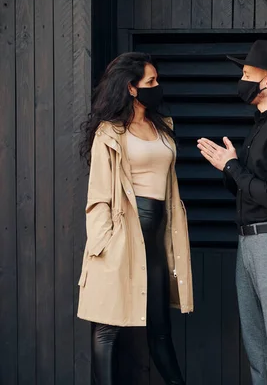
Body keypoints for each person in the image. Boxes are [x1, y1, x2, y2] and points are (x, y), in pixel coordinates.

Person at [197, 40, 267, 385]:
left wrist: (232, 165)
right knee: (258, 349)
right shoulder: (261, 124)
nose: (242, 80)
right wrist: (230, 168)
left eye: (248, 74)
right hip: (249, 244)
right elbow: (247, 189)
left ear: (266, 81)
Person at [77, 52, 193, 385]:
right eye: (151, 82)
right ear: (131, 88)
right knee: (107, 328)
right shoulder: (110, 133)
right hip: (122, 237)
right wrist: (105, 243)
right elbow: (98, 197)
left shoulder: (162, 126)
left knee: (159, 328)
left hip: (156, 238)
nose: (158, 87)